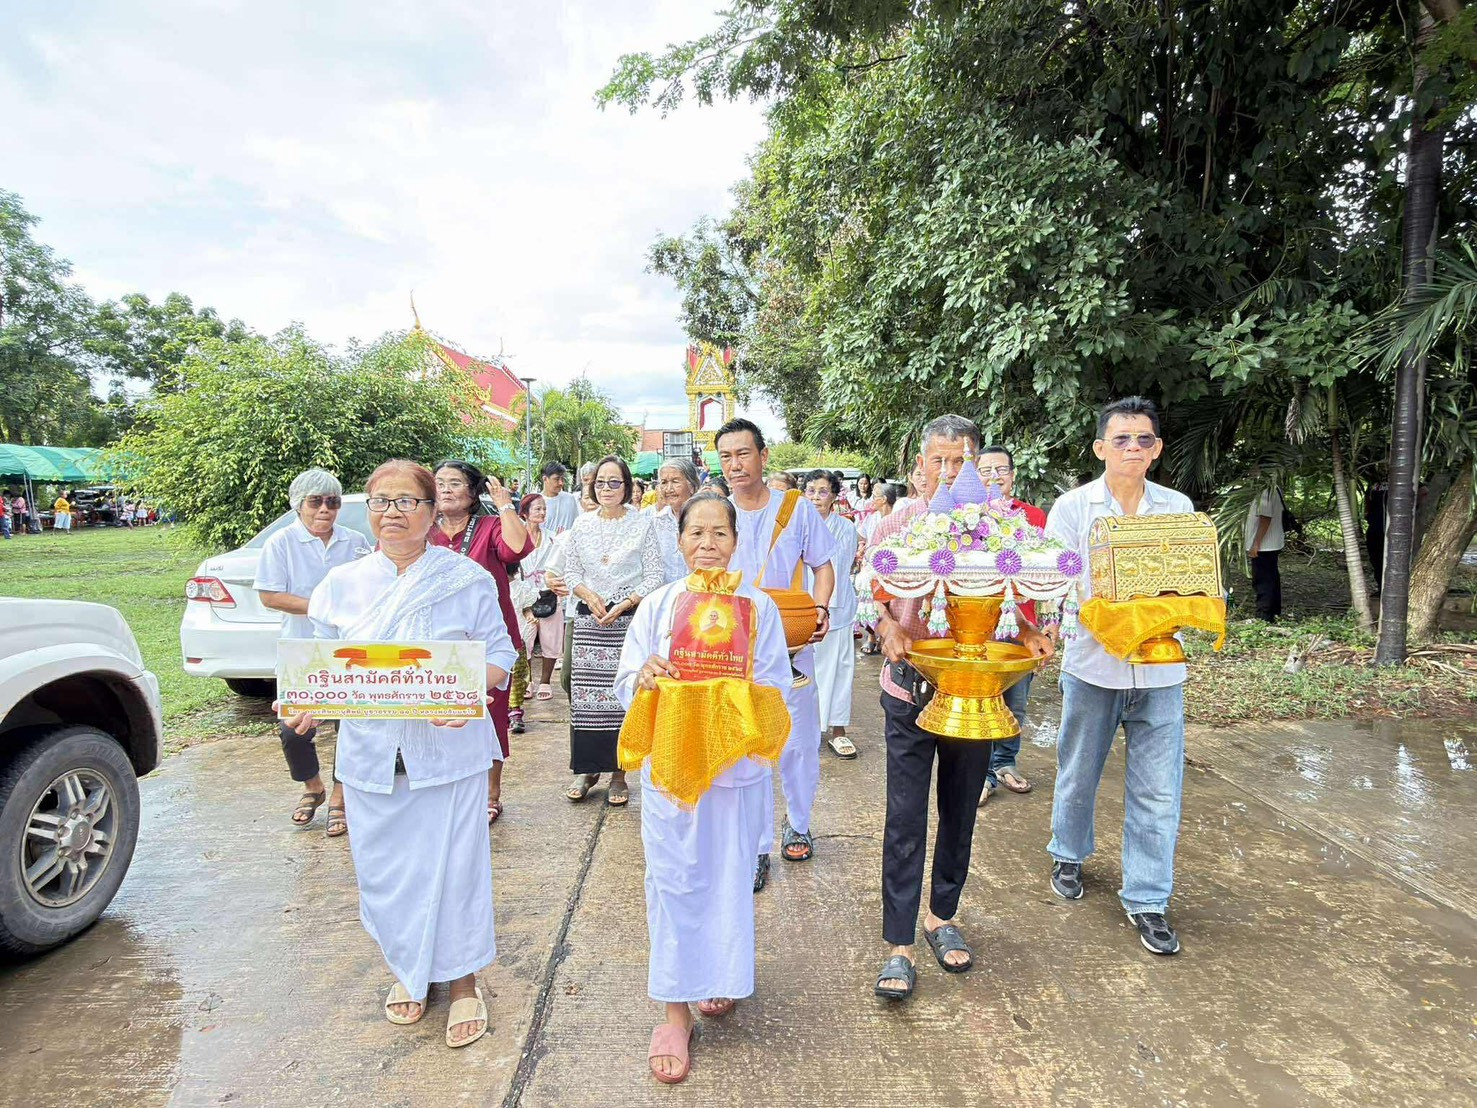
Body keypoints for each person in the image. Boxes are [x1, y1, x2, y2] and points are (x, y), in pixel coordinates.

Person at [284, 459, 515, 1048]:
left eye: (406, 500)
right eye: (380, 501)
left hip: (449, 749)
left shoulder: (466, 579)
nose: (392, 511)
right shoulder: (342, 584)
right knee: (386, 872)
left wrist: (466, 695)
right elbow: (317, 667)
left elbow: (501, 655)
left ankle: (462, 983)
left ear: (433, 508)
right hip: (370, 753)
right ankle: (409, 972)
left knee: (454, 869)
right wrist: (306, 704)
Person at [871, 415, 1053, 1000]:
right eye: (938, 462)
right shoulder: (898, 524)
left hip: (975, 695)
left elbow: (1023, 599)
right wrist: (887, 629)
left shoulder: (1001, 529)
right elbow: (870, 593)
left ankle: (940, 916)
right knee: (905, 817)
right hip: (910, 694)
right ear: (919, 467)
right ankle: (899, 943)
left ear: (979, 468)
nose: (948, 473)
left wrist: (1030, 636)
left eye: (961, 461)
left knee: (960, 811)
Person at [613, 492, 793, 1084]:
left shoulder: (758, 608)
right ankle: (673, 1010)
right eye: (696, 533)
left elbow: (774, 692)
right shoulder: (660, 606)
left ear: (736, 541)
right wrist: (648, 678)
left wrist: (725, 688)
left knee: (726, 878)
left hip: (733, 773)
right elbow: (626, 680)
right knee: (672, 880)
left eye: (719, 533)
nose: (707, 544)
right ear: (679, 539)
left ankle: (719, 976)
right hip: (672, 768)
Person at [1045, 396, 1195, 956]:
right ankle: (1068, 850)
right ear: (1100, 448)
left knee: (1158, 792)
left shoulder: (1178, 508)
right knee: (1079, 770)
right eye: (1122, 439)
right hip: (1092, 666)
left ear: (1156, 450)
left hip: (1161, 673)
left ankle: (1149, 899)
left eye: (1144, 439)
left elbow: (1190, 581)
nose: (1133, 448)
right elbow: (1057, 580)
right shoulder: (1072, 508)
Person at [716, 418, 834, 889]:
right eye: (725, 456)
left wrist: (821, 608)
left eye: (743, 453)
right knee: (748, 743)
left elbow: (822, 566)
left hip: (790, 641)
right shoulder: (715, 510)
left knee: (800, 742)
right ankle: (757, 844)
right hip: (730, 645)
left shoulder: (797, 509)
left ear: (764, 456)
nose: (735, 464)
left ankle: (799, 823)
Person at [254, 468, 374, 836]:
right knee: (293, 729)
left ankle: (340, 796)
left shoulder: (355, 542)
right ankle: (313, 787)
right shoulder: (281, 543)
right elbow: (270, 595)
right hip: (301, 652)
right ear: (298, 505)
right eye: (316, 501)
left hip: (348, 650)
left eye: (333, 502)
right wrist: (323, 606)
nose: (325, 509)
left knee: (349, 726)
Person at [428, 460, 534, 826]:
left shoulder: (489, 527)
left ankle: (490, 793)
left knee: (491, 717)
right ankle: (447, 788)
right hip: (437, 644)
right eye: (439, 482)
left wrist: (504, 503)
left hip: (491, 642)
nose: (444, 489)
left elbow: (518, 548)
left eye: (454, 483)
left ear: (473, 493)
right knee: (439, 717)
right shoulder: (425, 531)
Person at [562, 455, 664, 806]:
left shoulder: (642, 524)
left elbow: (654, 575)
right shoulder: (582, 525)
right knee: (585, 698)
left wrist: (624, 603)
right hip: (590, 618)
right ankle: (588, 769)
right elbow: (571, 572)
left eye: (614, 482)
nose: (606, 489)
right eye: (600, 482)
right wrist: (589, 596)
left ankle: (620, 772)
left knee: (621, 697)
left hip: (627, 621)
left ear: (627, 486)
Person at [977, 445, 1048, 804]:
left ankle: (1005, 763)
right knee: (984, 702)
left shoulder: (1033, 517)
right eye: (985, 470)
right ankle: (982, 775)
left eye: (1000, 469)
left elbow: (1049, 571)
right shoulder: (966, 518)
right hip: (977, 628)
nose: (994, 477)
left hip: (1024, 629)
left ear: (1013, 474)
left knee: (1015, 705)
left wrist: (1049, 624)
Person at [803, 470, 860, 759]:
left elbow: (840, 568)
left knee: (839, 671)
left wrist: (826, 607)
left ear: (834, 497)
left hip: (837, 611)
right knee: (805, 673)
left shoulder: (846, 529)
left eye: (822, 491)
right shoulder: (795, 527)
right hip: (803, 611)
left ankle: (838, 732)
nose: (815, 497)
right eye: (810, 490)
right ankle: (806, 730)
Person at [515, 492, 564, 703]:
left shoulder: (554, 537)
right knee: (524, 638)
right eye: (537, 509)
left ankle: (545, 681)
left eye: (544, 508)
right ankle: (527, 680)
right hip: (522, 593)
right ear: (525, 513)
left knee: (551, 638)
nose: (542, 512)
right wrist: (525, 603)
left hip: (549, 593)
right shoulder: (515, 536)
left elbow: (560, 565)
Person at [652, 458, 700, 583]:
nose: (668, 489)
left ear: (692, 487)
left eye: (675, 481)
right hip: (664, 596)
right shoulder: (655, 522)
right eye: (663, 482)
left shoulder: (707, 520)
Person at [1245, 480, 1285, 622]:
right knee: (1271, 579)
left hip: (1265, 545)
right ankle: (1273, 613)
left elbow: (1265, 517)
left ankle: (1264, 615)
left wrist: (1256, 543)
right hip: (1269, 544)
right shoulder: (1273, 487)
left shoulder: (1266, 490)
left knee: (1263, 581)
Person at [540, 462, 581, 535]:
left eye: (562, 479)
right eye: (557, 479)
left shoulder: (570, 498)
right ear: (545, 479)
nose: (561, 483)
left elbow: (577, 524)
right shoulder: (536, 501)